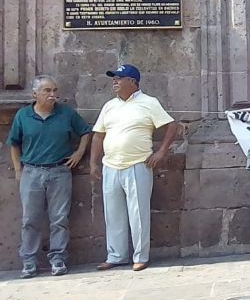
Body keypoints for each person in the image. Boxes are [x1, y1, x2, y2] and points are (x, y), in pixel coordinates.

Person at [89, 65, 178, 272]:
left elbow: (171, 126)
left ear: (133, 82)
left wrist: (161, 152)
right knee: (113, 214)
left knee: (138, 213)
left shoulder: (149, 103)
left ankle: (140, 256)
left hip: (138, 164)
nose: (115, 82)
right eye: (114, 78)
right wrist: (94, 162)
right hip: (111, 165)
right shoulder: (109, 105)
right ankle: (116, 255)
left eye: (120, 78)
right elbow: (98, 135)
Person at [6, 76, 91, 278]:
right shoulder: (23, 115)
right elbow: (14, 143)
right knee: (30, 219)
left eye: (54, 90)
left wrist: (79, 153)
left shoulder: (66, 114)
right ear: (35, 94)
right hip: (32, 172)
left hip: (60, 171)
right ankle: (28, 262)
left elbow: (86, 131)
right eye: (47, 91)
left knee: (59, 218)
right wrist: (18, 169)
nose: (53, 94)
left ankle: (58, 259)